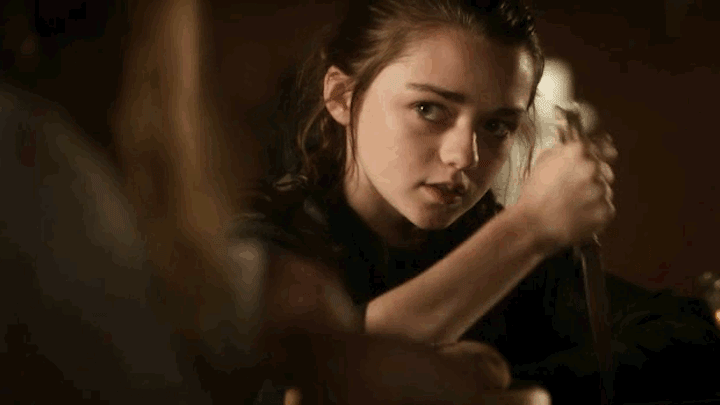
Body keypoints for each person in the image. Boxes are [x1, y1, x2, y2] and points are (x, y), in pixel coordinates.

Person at [229, 0, 720, 404]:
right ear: (341, 96)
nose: (465, 156)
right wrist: (530, 228)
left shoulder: (498, 249)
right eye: (429, 109)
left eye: (497, 126)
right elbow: (327, 364)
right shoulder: (260, 241)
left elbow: (680, 334)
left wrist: (494, 384)